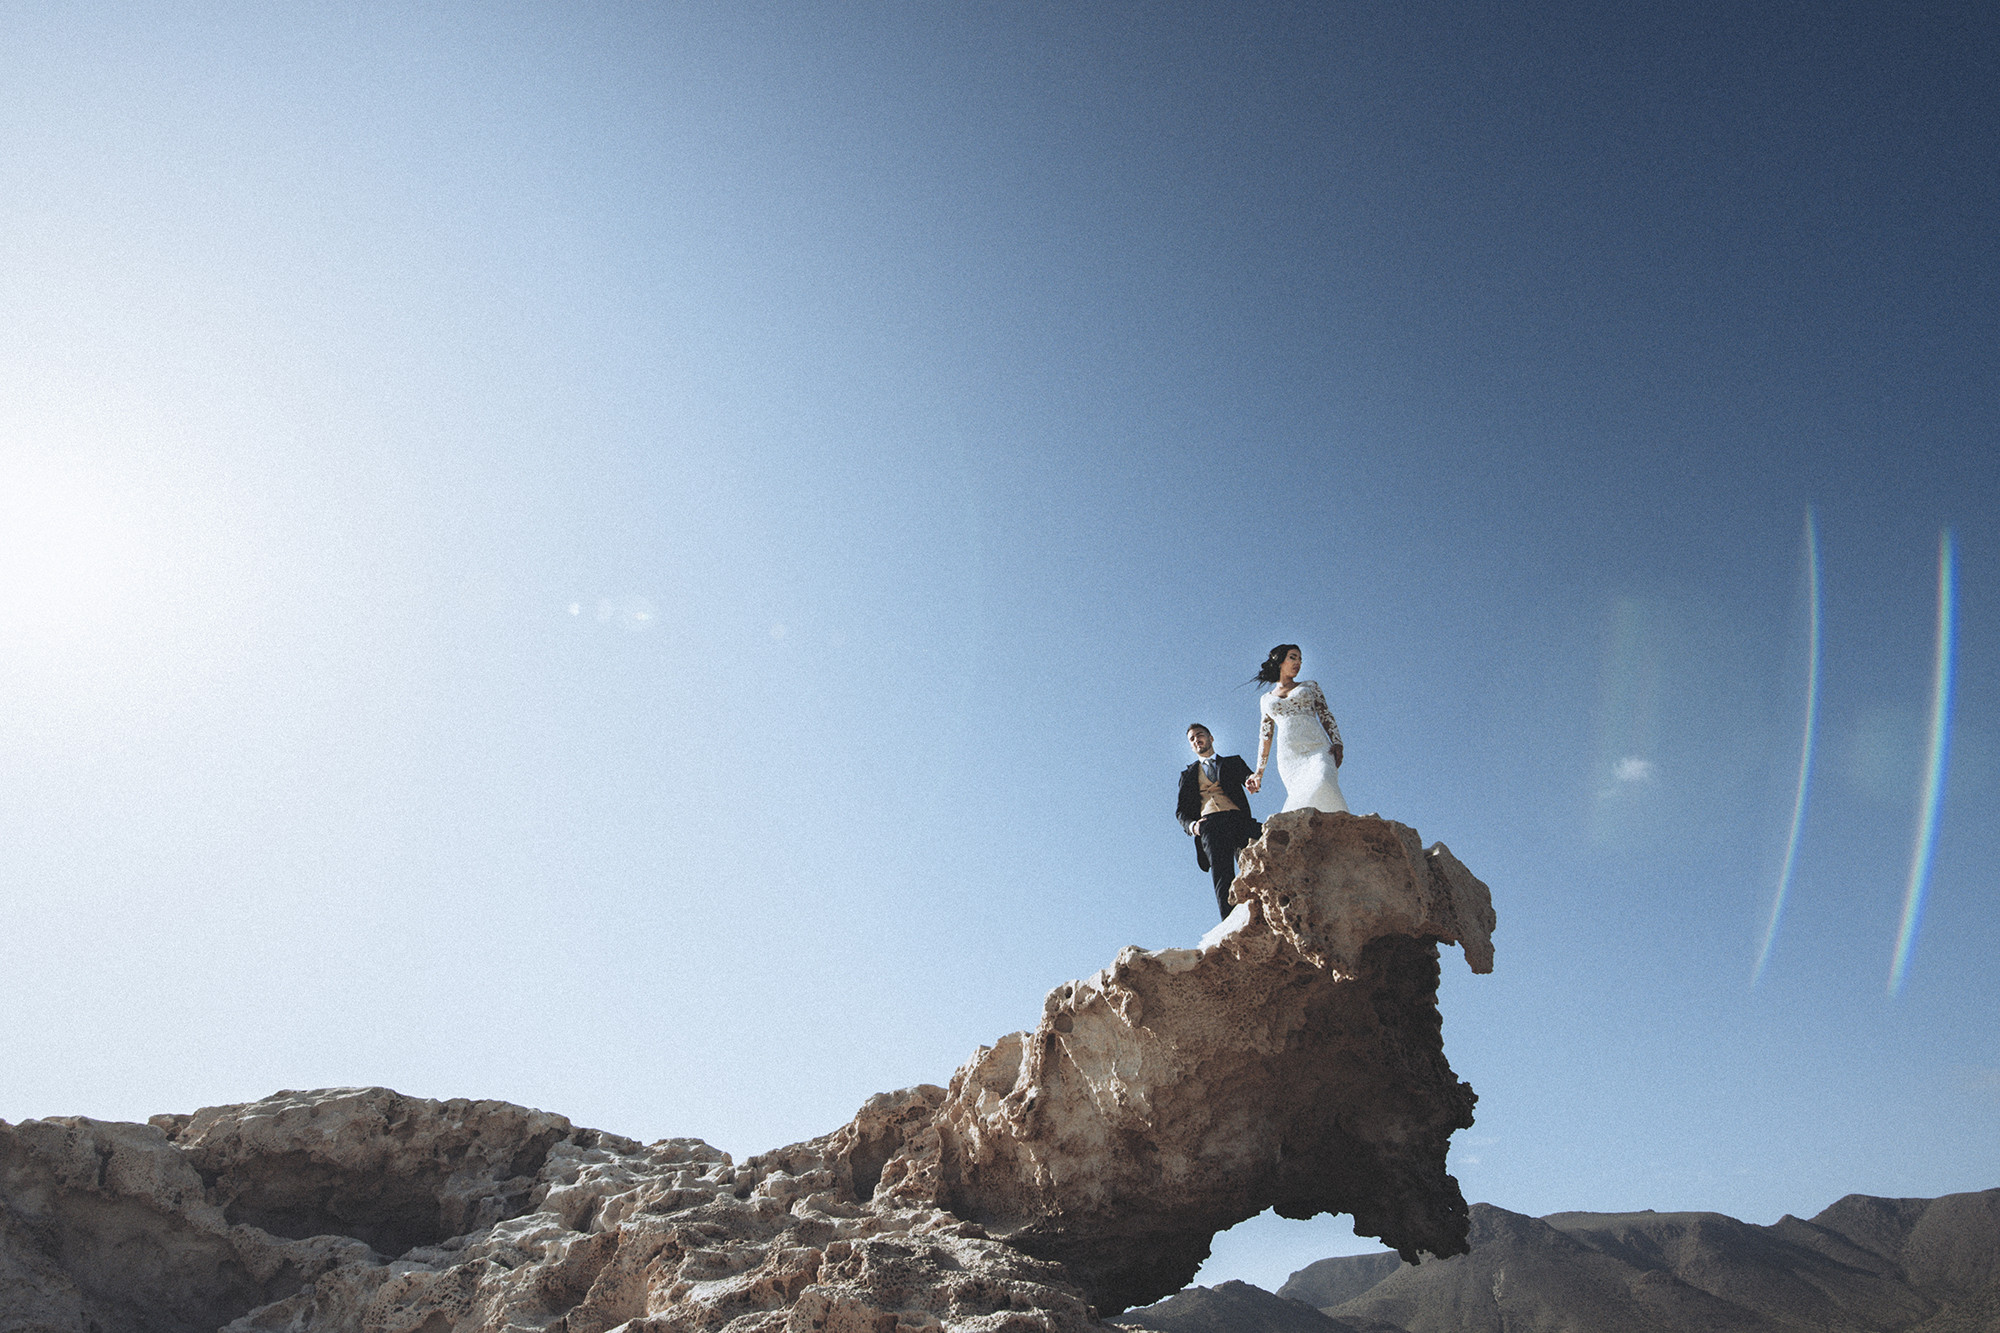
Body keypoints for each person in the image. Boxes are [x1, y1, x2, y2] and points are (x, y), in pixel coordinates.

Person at [1245, 644, 1349, 814]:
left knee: (1323, 779)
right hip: (1289, 755)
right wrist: (1259, 773)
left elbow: (1325, 715)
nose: (1298, 663)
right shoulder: (1266, 699)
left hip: (1318, 746)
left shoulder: (1310, 686)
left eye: (1300, 659)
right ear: (1279, 661)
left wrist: (1338, 742)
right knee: (1300, 794)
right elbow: (1265, 737)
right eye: (1293, 657)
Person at [1176, 723, 1262, 918]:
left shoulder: (1232, 762)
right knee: (1223, 879)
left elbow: (1248, 777)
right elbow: (1181, 811)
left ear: (1211, 738)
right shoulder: (1188, 775)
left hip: (1239, 820)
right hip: (1210, 825)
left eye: (1199, 735)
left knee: (1264, 853)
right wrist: (1194, 827)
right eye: (1192, 739)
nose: (1196, 740)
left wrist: (1251, 780)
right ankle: (1230, 924)